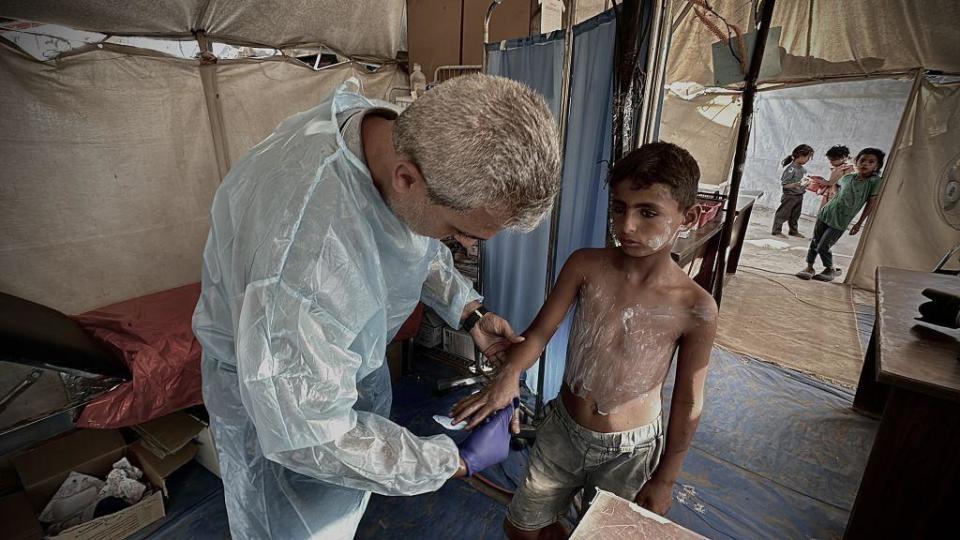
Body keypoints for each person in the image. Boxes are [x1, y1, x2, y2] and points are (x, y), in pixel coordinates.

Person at [192, 74, 562, 539]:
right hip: (277, 403)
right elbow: (312, 436)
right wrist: (454, 462)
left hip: (335, 365)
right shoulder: (304, 259)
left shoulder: (395, 137)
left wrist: (469, 313)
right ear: (407, 178)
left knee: (344, 505)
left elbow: (411, 242)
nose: (466, 246)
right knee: (300, 528)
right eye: (464, 231)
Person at [452, 142, 718, 539]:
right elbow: (541, 331)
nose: (626, 226)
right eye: (619, 207)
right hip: (563, 430)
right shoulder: (586, 265)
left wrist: (666, 477)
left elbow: (687, 402)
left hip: (630, 451)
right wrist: (509, 374)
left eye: (648, 212)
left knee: (601, 532)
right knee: (522, 527)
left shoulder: (695, 307)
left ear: (688, 216)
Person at [796, 147, 885, 282]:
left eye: (871, 162)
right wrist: (835, 198)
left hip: (841, 220)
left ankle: (830, 269)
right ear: (857, 161)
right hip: (826, 213)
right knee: (815, 241)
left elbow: (871, 203)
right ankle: (809, 267)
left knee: (823, 245)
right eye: (862, 160)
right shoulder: (848, 177)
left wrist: (859, 223)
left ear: (877, 166)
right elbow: (836, 185)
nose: (865, 164)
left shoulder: (874, 182)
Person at [771, 144, 814, 238]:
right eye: (807, 157)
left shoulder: (803, 169)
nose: (808, 160)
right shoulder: (791, 169)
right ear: (800, 155)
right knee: (783, 214)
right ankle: (776, 230)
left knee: (795, 215)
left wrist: (807, 184)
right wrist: (796, 184)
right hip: (790, 196)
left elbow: (802, 182)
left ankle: (793, 231)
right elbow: (785, 185)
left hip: (799, 195)